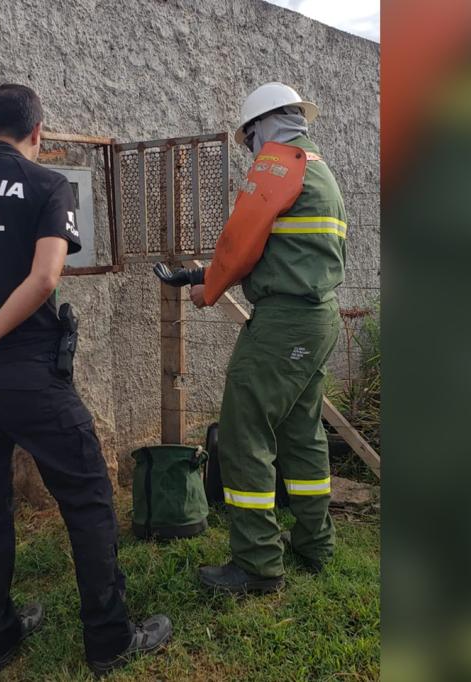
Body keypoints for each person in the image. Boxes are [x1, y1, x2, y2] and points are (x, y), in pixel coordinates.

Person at [0, 83, 171, 674]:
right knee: (89, 495)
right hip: (27, 374)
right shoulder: (49, 184)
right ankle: (109, 638)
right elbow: (46, 277)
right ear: (38, 134)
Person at [156, 82, 347, 592]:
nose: (250, 151)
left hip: (282, 325)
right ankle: (314, 544)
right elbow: (282, 250)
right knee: (302, 433)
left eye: (248, 140)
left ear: (263, 127)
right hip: (317, 316)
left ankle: (258, 563)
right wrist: (201, 277)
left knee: (244, 435)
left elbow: (241, 243)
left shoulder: (278, 165)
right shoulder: (320, 171)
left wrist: (209, 288)